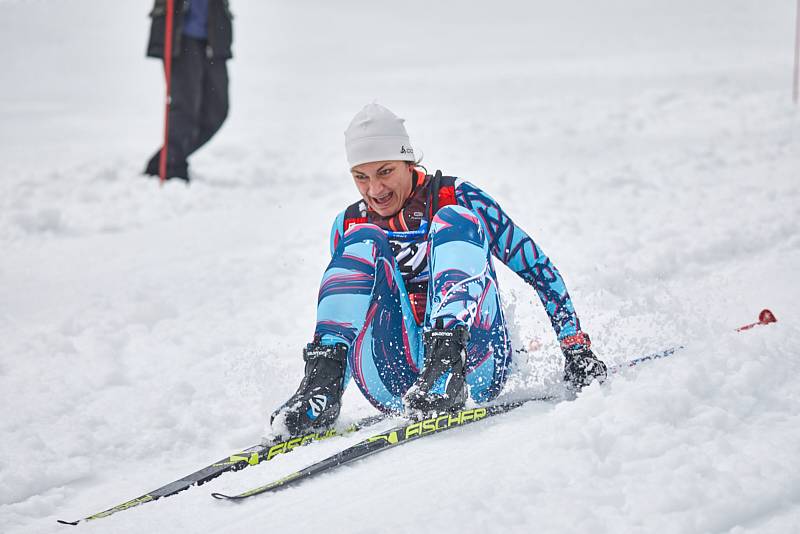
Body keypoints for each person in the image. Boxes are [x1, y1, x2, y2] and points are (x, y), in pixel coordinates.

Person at [270, 103, 607, 436]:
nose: (375, 190)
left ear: (408, 161)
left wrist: (576, 349)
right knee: (360, 237)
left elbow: (537, 268)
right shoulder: (350, 223)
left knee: (454, 217)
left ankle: (446, 365)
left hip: (475, 365)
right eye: (361, 177)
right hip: (393, 380)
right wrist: (330, 379)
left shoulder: (457, 195)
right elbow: (350, 318)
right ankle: (320, 389)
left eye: (385, 172)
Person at [144, 0, 233, 182]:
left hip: (214, 34)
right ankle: (171, 168)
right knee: (185, 107)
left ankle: (164, 161)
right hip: (180, 34)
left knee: (217, 109)